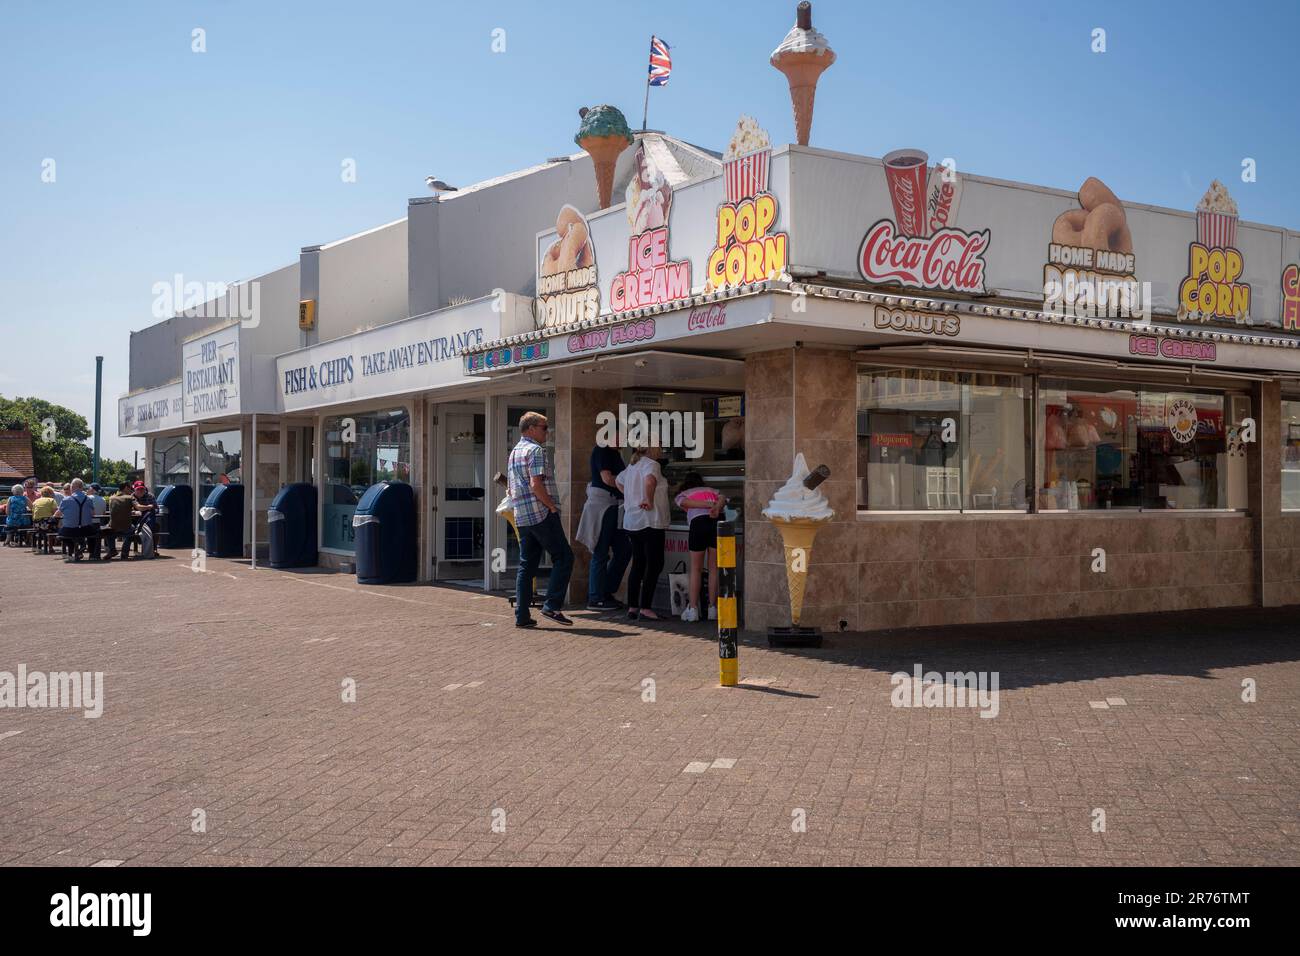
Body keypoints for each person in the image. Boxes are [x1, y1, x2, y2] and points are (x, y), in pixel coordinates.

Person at [508, 411, 574, 628]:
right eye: (544, 428)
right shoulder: (535, 450)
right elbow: (537, 484)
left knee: (526, 565)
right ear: (531, 428)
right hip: (540, 513)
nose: (548, 431)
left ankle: (522, 615)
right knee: (564, 557)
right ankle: (552, 605)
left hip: (523, 516)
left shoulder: (515, 451)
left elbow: (512, 486)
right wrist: (551, 506)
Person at [616, 444, 670, 621]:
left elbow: (618, 481)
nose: (661, 449)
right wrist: (647, 498)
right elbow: (650, 481)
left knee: (638, 563)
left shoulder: (632, 465)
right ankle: (646, 607)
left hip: (632, 521)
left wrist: (631, 497)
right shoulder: (651, 464)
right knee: (654, 564)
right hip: (650, 521)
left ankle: (632, 607)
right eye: (659, 445)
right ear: (652, 447)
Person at [576, 439, 631, 611]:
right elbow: (607, 478)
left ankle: (605, 591)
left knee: (624, 551)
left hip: (614, 506)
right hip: (603, 506)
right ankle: (596, 597)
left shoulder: (615, 453)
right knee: (600, 552)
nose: (625, 439)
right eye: (622, 434)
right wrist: (631, 483)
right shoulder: (602, 450)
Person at [674, 472, 728, 623]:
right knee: (713, 568)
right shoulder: (711, 490)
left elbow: (684, 502)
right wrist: (715, 506)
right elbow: (723, 497)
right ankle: (712, 609)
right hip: (717, 522)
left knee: (696, 569)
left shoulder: (684, 493)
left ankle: (693, 609)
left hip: (698, 523)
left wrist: (705, 506)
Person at [57, 478, 99, 562]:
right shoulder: (89, 499)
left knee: (61, 533)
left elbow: (57, 514)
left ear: (73, 487)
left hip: (70, 530)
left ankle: (72, 549)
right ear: (82, 487)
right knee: (94, 532)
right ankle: (91, 554)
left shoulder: (66, 500)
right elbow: (93, 514)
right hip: (86, 529)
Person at [103, 484, 138, 560]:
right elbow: (138, 507)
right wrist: (149, 506)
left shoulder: (111, 498)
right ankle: (124, 553)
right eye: (130, 489)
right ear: (126, 488)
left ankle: (112, 550)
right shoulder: (130, 497)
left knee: (107, 529)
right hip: (126, 528)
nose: (131, 491)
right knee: (132, 529)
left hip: (113, 528)